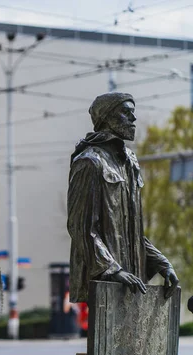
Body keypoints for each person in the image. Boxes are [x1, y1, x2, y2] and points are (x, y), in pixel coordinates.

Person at [67, 92, 179, 303]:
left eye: (133, 112)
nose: (133, 119)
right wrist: (111, 269)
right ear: (107, 118)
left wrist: (162, 263)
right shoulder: (89, 162)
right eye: (126, 112)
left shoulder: (130, 163)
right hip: (106, 281)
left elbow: (133, 233)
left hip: (131, 279)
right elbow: (81, 227)